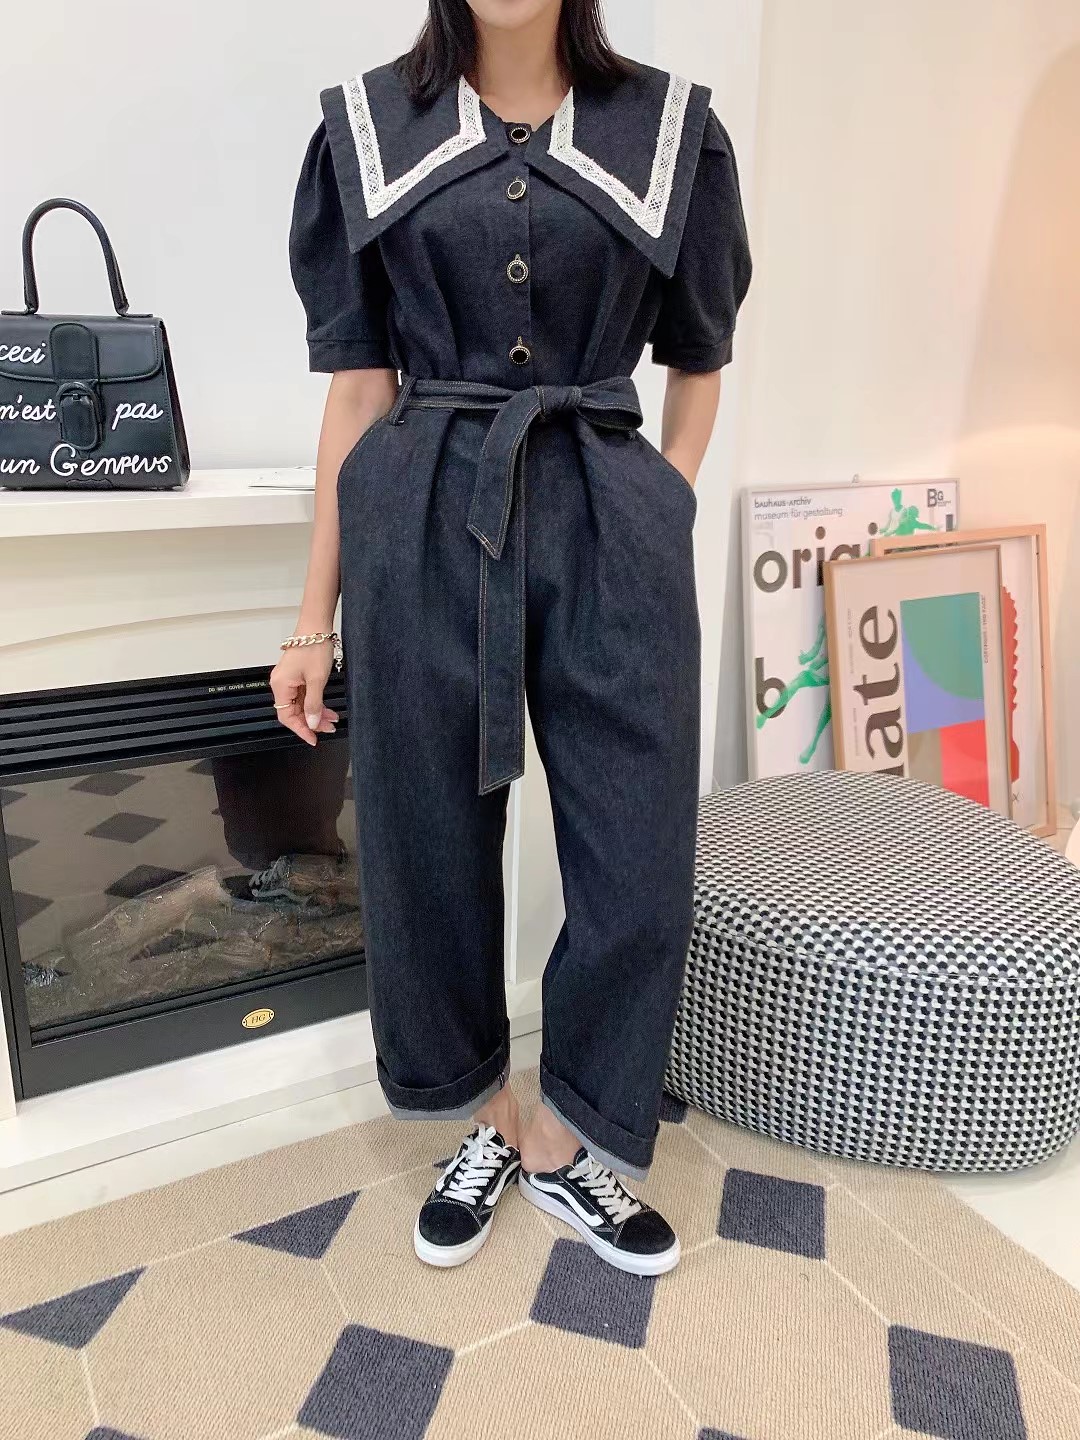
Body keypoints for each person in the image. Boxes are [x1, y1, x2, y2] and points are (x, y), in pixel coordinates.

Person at [275, 0, 751, 1277]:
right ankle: (486, 1117)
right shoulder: (370, 127)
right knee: (425, 837)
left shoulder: (671, 131)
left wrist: (659, 503)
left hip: (606, 509)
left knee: (639, 853)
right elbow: (358, 388)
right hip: (423, 510)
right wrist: (311, 617)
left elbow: (699, 356)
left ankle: (564, 1132)